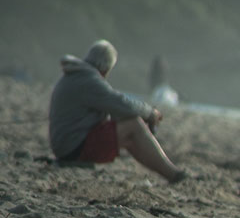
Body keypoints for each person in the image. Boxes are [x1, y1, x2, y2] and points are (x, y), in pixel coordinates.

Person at [48, 41, 188, 183]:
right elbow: (122, 104)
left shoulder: (76, 75)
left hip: (66, 144)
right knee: (133, 126)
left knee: (131, 133)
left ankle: (169, 173)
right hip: (73, 147)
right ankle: (173, 174)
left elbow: (114, 107)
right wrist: (150, 113)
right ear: (105, 68)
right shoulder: (88, 81)